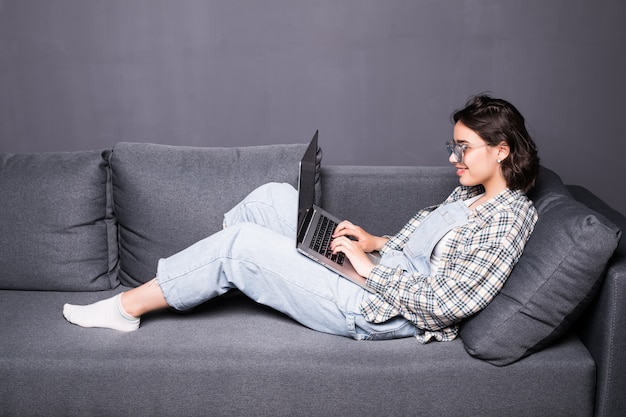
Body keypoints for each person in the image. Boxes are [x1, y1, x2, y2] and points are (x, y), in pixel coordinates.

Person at [63, 95, 539, 343]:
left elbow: (447, 302)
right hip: (382, 273)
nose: (454, 157)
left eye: (465, 147)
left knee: (240, 245)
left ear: (501, 150)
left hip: (384, 311)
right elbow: (435, 250)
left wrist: (370, 270)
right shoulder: (473, 194)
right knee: (270, 198)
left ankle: (126, 309)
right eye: (452, 145)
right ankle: (230, 279)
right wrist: (374, 242)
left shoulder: (510, 218)